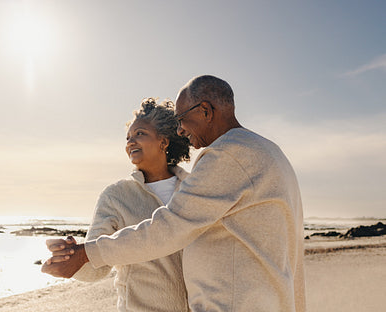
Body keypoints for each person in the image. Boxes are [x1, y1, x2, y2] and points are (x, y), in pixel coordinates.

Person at [43, 75, 306, 312]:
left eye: (181, 120)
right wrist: (77, 255)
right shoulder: (271, 152)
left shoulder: (227, 156)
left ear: (205, 111)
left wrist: (87, 252)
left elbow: (170, 227)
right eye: (127, 137)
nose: (180, 129)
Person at [42, 98, 191, 312]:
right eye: (128, 137)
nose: (130, 142)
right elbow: (97, 268)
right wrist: (71, 256)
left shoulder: (194, 189)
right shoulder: (116, 196)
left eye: (140, 134)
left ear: (164, 141)